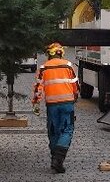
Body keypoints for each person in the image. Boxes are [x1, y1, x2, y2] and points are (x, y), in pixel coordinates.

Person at [32, 42, 80, 174]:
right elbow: (75, 85)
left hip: (52, 105)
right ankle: (58, 159)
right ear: (61, 53)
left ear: (49, 54)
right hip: (67, 103)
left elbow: (38, 88)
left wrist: (36, 103)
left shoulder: (43, 68)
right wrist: (75, 97)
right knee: (67, 130)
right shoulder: (68, 66)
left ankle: (54, 157)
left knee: (53, 131)